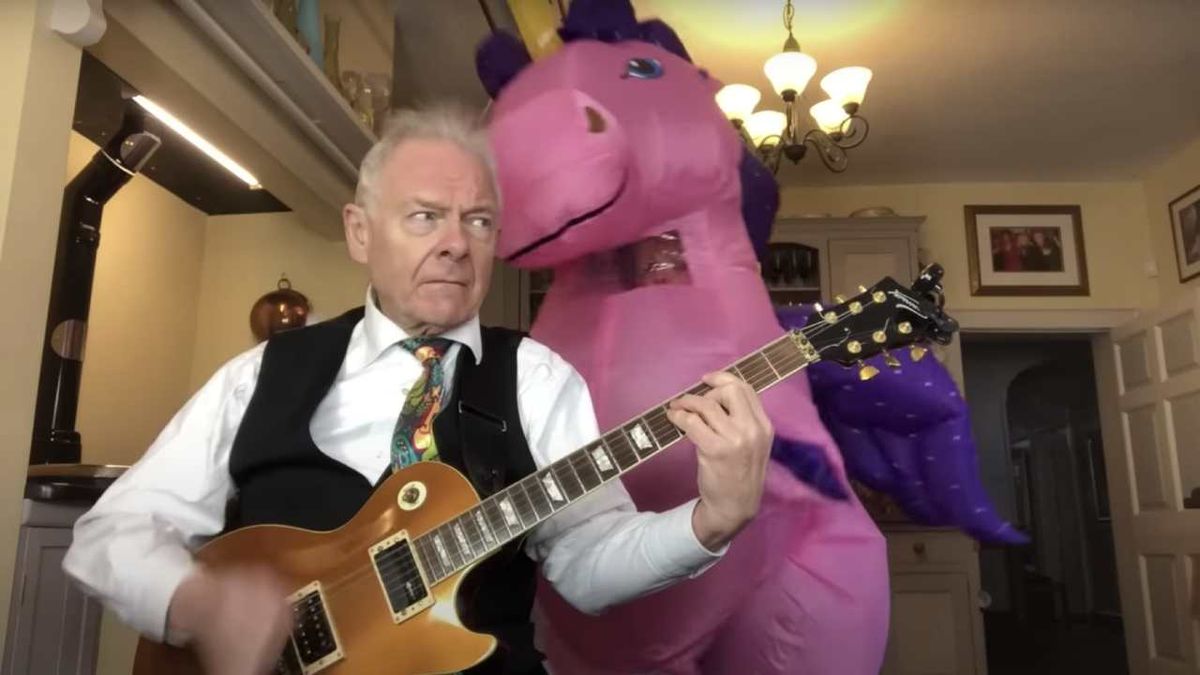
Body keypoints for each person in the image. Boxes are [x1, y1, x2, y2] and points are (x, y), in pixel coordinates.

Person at [62, 105, 774, 675]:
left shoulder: (538, 376)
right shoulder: (262, 372)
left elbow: (585, 564)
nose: (457, 244)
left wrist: (710, 521)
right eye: (426, 215)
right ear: (361, 231)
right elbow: (110, 534)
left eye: (479, 221)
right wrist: (197, 602)